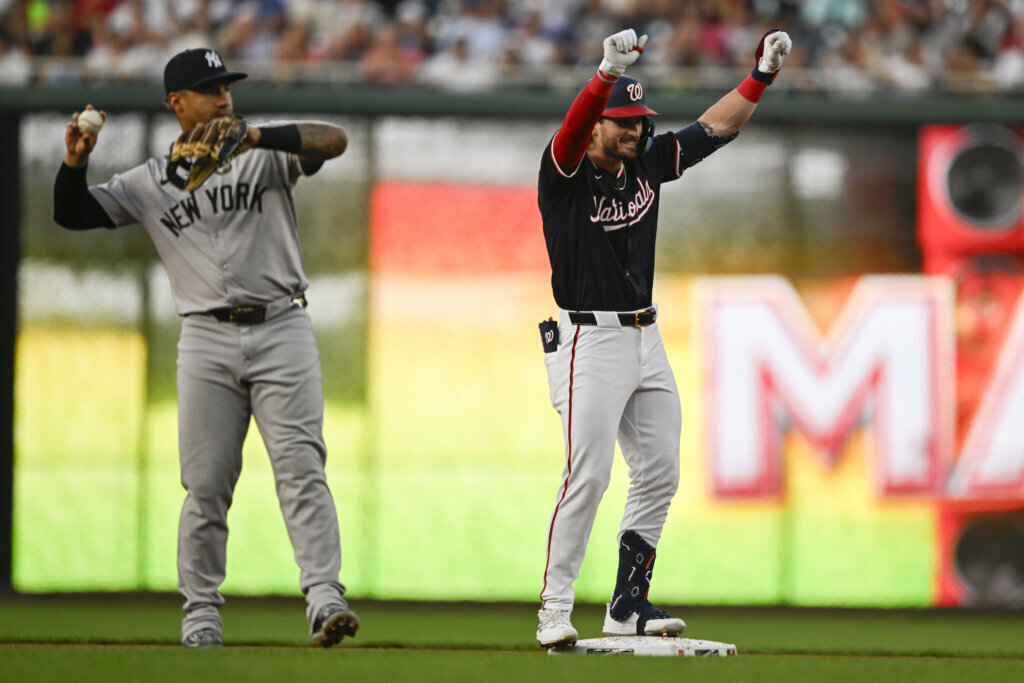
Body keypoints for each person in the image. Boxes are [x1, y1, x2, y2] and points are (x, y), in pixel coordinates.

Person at [53, 48, 359, 649]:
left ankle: (325, 599)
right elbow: (71, 213)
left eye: (226, 87)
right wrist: (72, 162)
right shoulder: (147, 183)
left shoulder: (263, 154)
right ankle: (200, 617)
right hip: (206, 339)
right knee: (206, 481)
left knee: (301, 468)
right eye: (208, 89)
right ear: (177, 104)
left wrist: (255, 136)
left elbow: (337, 139)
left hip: (282, 328)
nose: (223, 97)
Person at [536, 28, 792, 647]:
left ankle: (628, 604)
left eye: (638, 121)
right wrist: (601, 74)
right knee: (589, 474)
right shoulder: (564, 172)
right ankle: (553, 610)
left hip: (645, 336)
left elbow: (715, 129)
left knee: (660, 471)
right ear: (597, 124)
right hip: (587, 340)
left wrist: (760, 74)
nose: (633, 131)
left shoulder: (645, 161)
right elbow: (570, 134)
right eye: (621, 122)